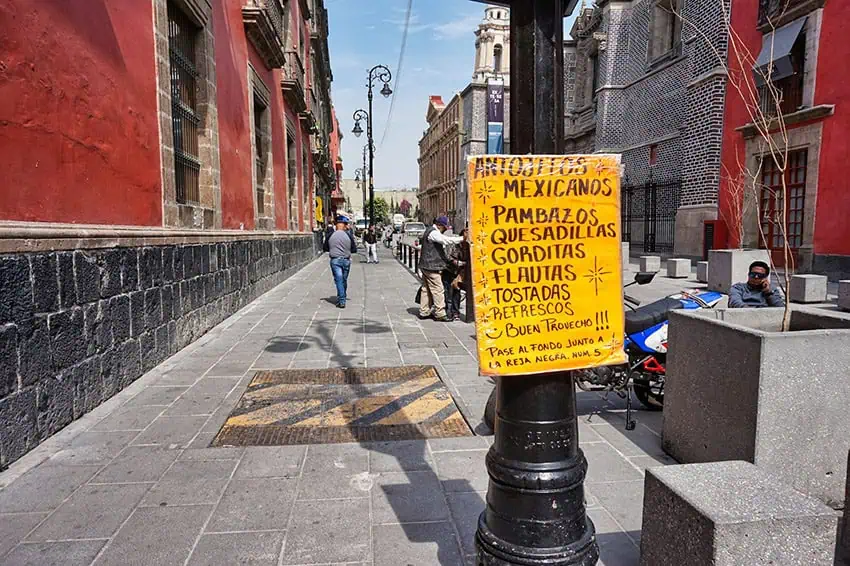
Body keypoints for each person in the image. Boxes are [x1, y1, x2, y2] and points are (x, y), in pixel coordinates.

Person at [418, 216, 463, 321]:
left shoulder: (429, 230)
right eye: (445, 228)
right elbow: (446, 240)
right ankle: (440, 313)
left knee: (426, 289)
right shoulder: (433, 233)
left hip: (425, 265)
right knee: (438, 289)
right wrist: (462, 239)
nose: (446, 230)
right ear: (440, 225)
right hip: (431, 266)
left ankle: (424, 311)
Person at [323, 215, 357, 308]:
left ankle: (342, 300)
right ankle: (342, 296)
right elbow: (354, 249)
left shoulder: (330, 235)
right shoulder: (348, 236)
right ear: (344, 225)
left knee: (338, 280)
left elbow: (325, 248)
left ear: (336, 225)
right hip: (346, 260)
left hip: (335, 260)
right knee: (343, 280)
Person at [441, 229, 469, 321]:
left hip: (459, 273)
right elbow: (447, 256)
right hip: (449, 270)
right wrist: (458, 262)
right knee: (448, 292)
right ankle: (448, 312)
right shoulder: (454, 244)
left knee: (457, 292)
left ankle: (455, 312)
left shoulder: (469, 247)